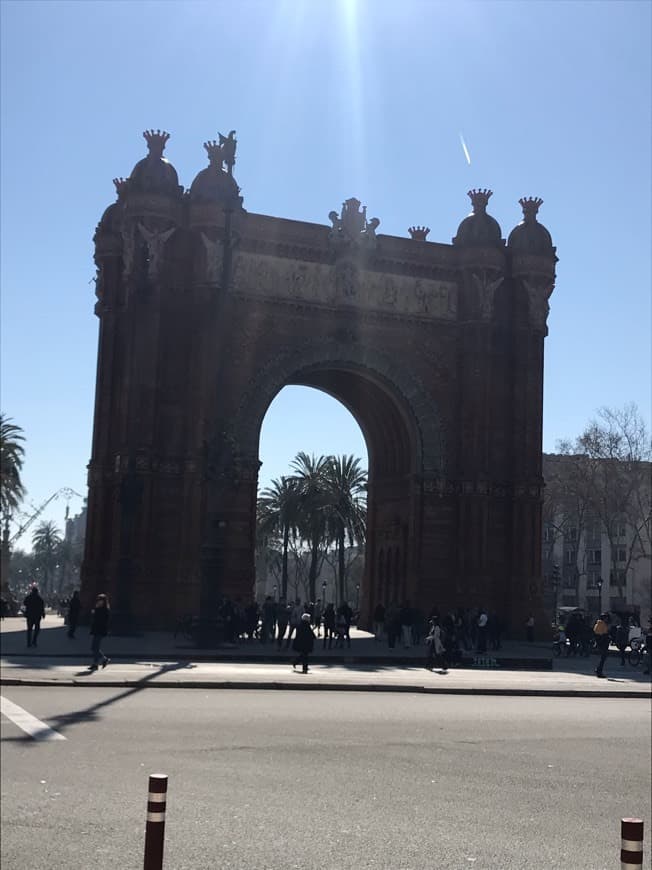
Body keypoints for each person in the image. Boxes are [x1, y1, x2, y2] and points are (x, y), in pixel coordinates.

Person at [89, 593, 111, 670]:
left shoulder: (105, 610)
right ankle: (104, 659)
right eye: (98, 600)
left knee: (95, 647)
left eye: (100, 600)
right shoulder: (98, 608)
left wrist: (95, 612)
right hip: (96, 629)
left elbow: (103, 620)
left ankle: (96, 664)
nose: (98, 601)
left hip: (100, 630)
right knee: (94, 647)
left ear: (104, 601)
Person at [593, 612, 611, 678]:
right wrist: (607, 636)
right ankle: (599, 670)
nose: (607, 619)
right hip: (602, 643)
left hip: (600, 642)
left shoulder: (598, 624)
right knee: (603, 657)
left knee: (603, 657)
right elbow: (602, 634)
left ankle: (598, 669)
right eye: (606, 618)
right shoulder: (602, 624)